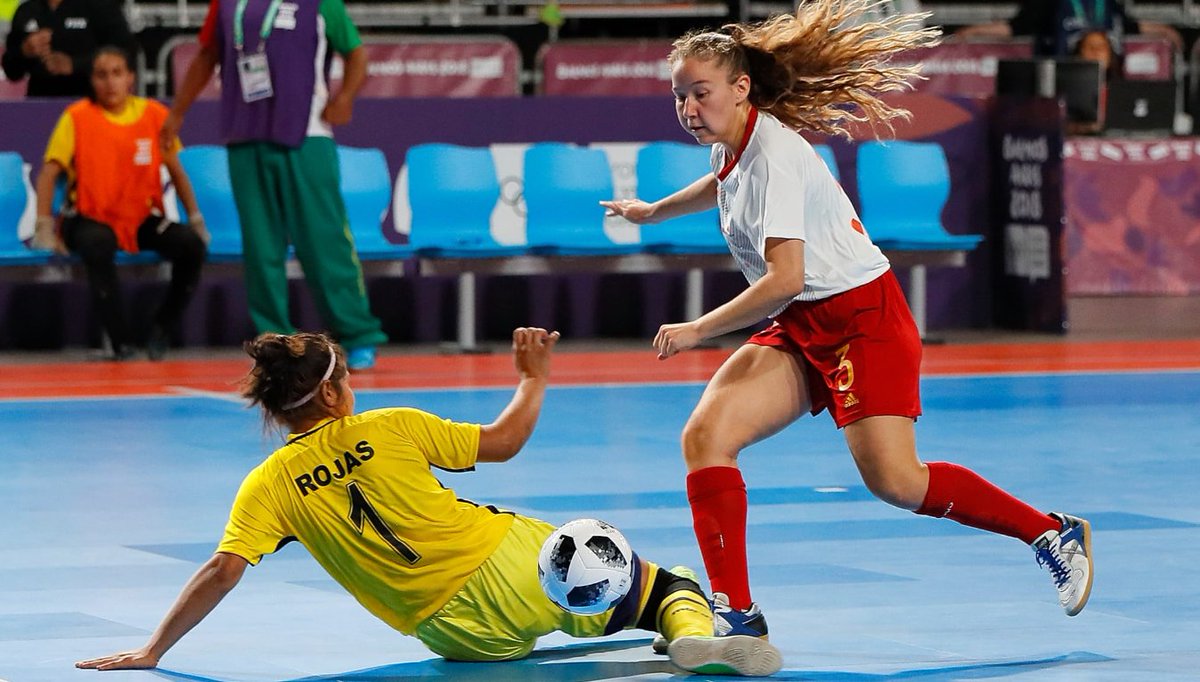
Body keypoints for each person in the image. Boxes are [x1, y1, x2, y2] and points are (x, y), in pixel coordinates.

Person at [600, 0, 1094, 648]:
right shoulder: (733, 143)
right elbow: (718, 183)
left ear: (741, 88)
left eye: (701, 93)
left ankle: (1050, 532)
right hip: (801, 322)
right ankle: (738, 615)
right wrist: (652, 211)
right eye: (680, 97)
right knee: (706, 437)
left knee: (897, 482)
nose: (690, 109)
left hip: (862, 318)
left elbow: (784, 278)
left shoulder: (773, 154)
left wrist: (699, 329)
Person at [74, 328, 783, 676]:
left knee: (569, 618)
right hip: (507, 567)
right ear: (328, 394)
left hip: (456, 637)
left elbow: (221, 572)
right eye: (344, 374)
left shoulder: (268, 486)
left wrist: (153, 649)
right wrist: (534, 377)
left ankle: (643, 626)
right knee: (667, 582)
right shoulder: (388, 427)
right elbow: (504, 443)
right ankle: (686, 625)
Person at [160, 0, 387, 371]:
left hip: (307, 135)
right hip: (245, 135)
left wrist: (344, 97)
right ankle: (275, 342)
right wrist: (177, 112)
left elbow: (356, 53)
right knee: (261, 246)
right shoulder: (226, 4)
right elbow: (206, 56)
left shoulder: (321, 3)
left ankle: (357, 333)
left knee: (324, 241)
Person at [30, 47, 207, 360]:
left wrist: (194, 217)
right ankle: (122, 342)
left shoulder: (155, 115)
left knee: (191, 245)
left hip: (139, 218)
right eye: (101, 75)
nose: (109, 82)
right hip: (85, 217)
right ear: (92, 81)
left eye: (116, 73)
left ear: (130, 78)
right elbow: (48, 173)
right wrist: (44, 225)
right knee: (99, 242)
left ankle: (162, 326)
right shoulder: (76, 117)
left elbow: (176, 171)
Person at [955, 0, 1182, 59]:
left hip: (1108, 85)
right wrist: (973, 32)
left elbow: (1130, 25)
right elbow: (1014, 27)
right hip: (1063, 82)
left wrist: (1165, 31)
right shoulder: (1048, 4)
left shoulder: (1107, 3)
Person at [2, 0, 134, 97]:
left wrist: (74, 64)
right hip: (39, 105)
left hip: (90, 102)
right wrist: (24, 51)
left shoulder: (100, 6)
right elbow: (11, 71)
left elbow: (126, 53)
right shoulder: (27, 10)